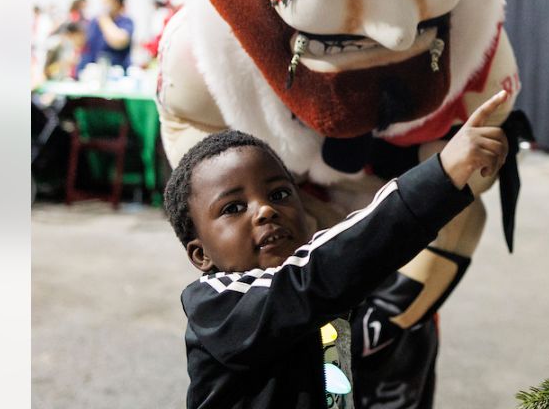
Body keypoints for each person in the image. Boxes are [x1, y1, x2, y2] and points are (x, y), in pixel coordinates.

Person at [165, 91, 509, 409]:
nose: (265, 210)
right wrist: (441, 174)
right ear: (200, 255)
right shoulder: (219, 308)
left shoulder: (329, 309)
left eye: (280, 194)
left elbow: (337, 390)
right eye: (233, 208)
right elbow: (318, 274)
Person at [79, 0, 134, 71]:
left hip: (116, 71)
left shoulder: (125, 21)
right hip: (93, 70)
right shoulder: (95, 21)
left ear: (116, 2)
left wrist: (104, 19)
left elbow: (119, 41)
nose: (104, 2)